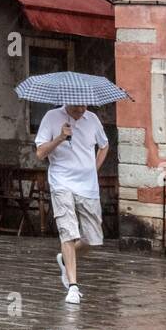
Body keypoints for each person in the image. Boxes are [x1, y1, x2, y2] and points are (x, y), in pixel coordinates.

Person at [35, 103, 109, 305]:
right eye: (77, 107)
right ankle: (73, 287)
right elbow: (40, 153)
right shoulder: (51, 117)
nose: (81, 110)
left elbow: (104, 145)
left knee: (93, 239)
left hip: (88, 186)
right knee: (68, 232)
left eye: (85, 106)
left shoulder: (92, 119)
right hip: (62, 183)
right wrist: (59, 138)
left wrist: (93, 169)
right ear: (68, 102)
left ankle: (65, 258)